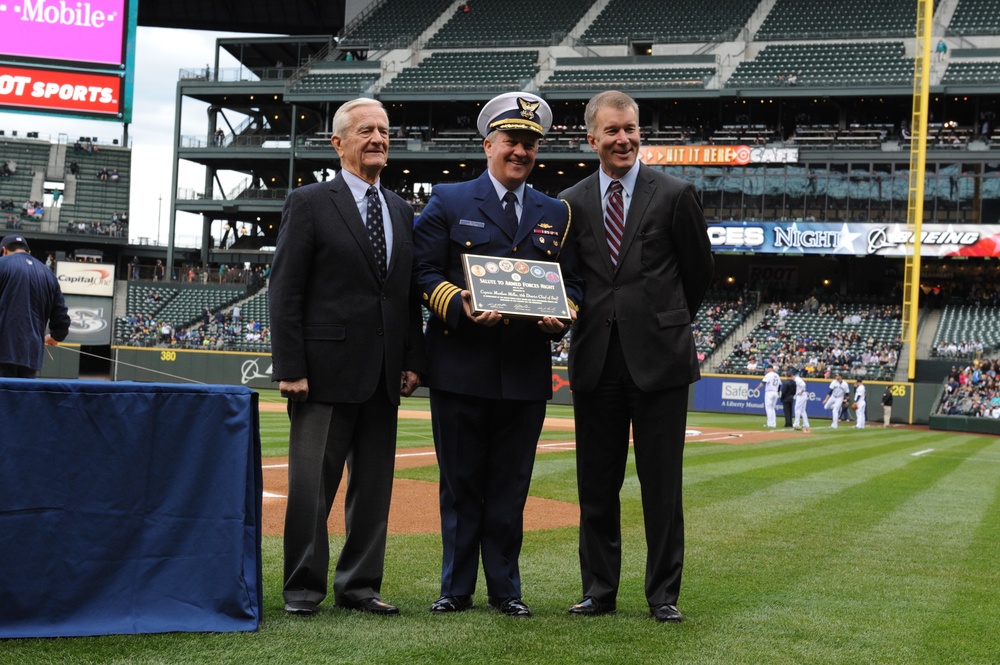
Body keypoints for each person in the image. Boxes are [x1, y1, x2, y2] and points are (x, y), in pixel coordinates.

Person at [413, 91, 583, 618]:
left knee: (511, 488)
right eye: (511, 140)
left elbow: (572, 283)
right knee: (461, 485)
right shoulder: (449, 199)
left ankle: (506, 589)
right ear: (489, 144)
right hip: (461, 367)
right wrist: (458, 304)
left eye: (530, 143)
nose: (521, 151)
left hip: (525, 374)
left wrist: (564, 315)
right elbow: (422, 273)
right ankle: (456, 588)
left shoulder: (557, 212)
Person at [559, 90, 714, 623]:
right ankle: (598, 590)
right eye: (612, 131)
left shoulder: (675, 194)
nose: (622, 139)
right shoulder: (571, 202)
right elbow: (571, 281)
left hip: (661, 361)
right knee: (595, 485)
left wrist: (662, 323)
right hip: (596, 359)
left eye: (630, 128)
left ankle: (662, 596)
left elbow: (698, 276)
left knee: (661, 487)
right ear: (592, 138)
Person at [269, 98, 426, 618]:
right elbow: (285, 289)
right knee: (311, 488)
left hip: (383, 375)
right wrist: (290, 366)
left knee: (374, 491)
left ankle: (359, 586)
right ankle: (303, 588)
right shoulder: (310, 201)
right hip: (322, 374)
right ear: (339, 143)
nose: (378, 138)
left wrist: (412, 359)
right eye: (366, 131)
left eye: (383, 130)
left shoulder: (402, 209)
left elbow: (405, 297)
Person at [0, 235, 71, 378]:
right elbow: (61, 317)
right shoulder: (48, 274)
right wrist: (56, 336)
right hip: (31, 356)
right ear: (29, 252)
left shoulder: (2, 264)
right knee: (22, 399)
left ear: (4, 250)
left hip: (2, 351)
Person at [758, 363, 781, 428]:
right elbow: (780, 384)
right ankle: (773, 424)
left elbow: (763, 383)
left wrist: (757, 389)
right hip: (775, 392)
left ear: (769, 369)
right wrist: (778, 392)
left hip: (769, 392)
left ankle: (770, 423)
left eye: (767, 369)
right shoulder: (777, 375)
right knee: (772, 408)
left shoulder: (768, 375)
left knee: (768, 408)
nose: (767, 370)